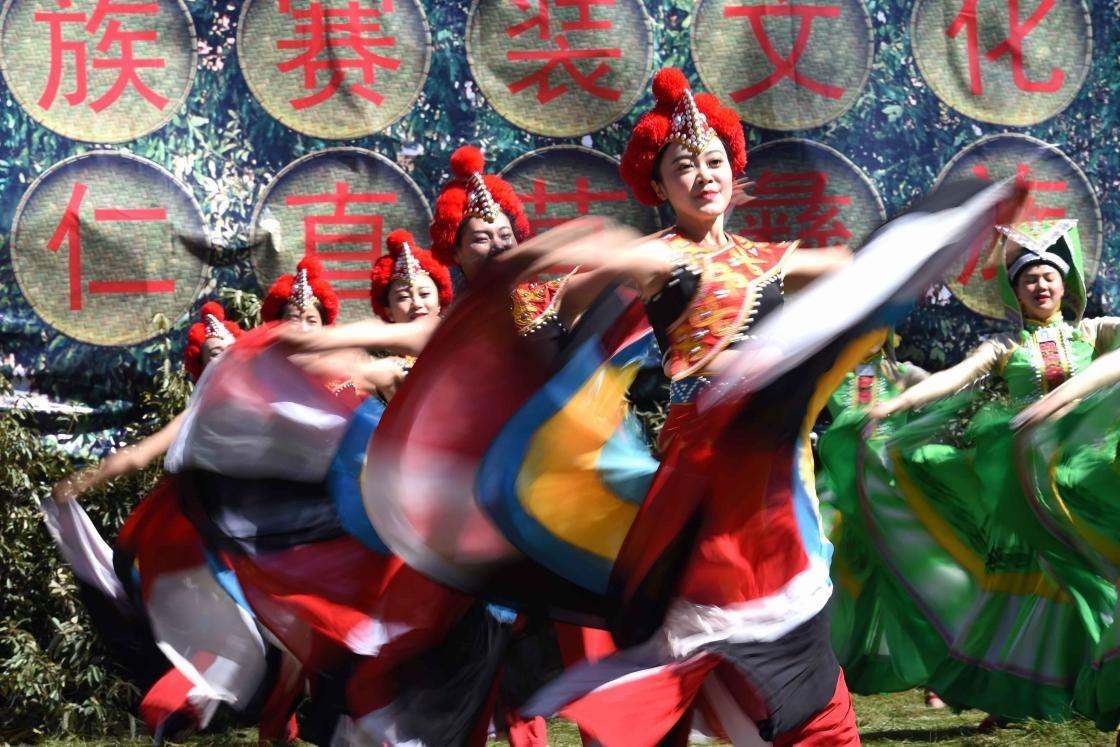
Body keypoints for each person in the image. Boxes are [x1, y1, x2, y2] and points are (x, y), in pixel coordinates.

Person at [867, 219, 1118, 723]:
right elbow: (953, 378)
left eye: (1049, 276)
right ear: (1015, 292)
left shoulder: (1093, 331)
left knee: (1092, 578)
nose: (1040, 285)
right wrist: (895, 405)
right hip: (1028, 485)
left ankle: (1095, 681)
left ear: (1065, 284)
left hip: (1083, 477)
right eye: (1029, 279)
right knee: (1028, 592)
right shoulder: (1005, 347)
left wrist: (1066, 403)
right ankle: (1013, 698)